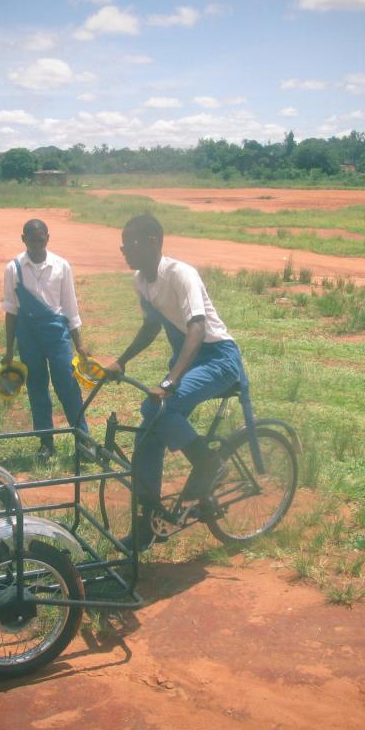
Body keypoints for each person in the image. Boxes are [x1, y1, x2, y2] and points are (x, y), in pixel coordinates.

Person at [104, 214, 246, 550]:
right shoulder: (142, 281)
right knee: (147, 433)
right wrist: (121, 361)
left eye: (130, 243)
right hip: (190, 358)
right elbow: (152, 326)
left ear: (152, 241)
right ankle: (148, 521)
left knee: (161, 408)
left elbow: (197, 328)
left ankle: (210, 462)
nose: (124, 250)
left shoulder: (181, 274)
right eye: (122, 244)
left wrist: (169, 382)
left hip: (218, 358)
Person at [2, 218, 90, 462]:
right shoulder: (14, 268)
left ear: (47, 239)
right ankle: (46, 443)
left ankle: (83, 439)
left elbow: (71, 308)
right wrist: (9, 349)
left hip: (57, 333)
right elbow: (11, 310)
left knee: (68, 386)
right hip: (27, 335)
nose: (37, 246)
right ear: (24, 240)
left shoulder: (61, 266)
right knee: (37, 388)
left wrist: (79, 343)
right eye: (31, 240)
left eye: (41, 240)